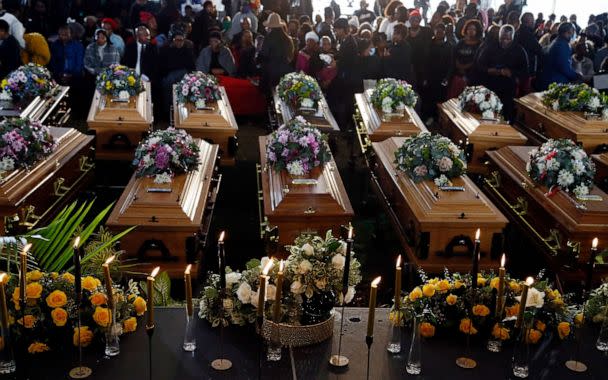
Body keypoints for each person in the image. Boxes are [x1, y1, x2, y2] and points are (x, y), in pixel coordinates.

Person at [476, 24, 528, 121]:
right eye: (502, 38)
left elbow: (525, 71)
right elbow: (479, 65)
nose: (504, 41)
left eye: (508, 39)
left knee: (505, 115)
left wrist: (512, 73)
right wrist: (489, 70)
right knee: (488, 114)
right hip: (490, 86)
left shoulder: (519, 50)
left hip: (508, 89)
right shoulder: (490, 47)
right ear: (499, 36)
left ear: (512, 37)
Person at [159, 27, 195, 114]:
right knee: (168, 82)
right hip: (169, 75)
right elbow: (162, 66)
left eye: (181, 40)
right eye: (177, 40)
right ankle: (168, 112)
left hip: (184, 75)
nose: (179, 42)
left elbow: (192, 67)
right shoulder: (166, 50)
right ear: (173, 40)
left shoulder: (187, 51)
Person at [538, 22, 581, 90]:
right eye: (572, 33)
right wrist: (577, 76)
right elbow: (565, 68)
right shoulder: (563, 45)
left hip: (545, 80)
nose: (572, 36)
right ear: (567, 32)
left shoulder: (555, 41)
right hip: (554, 84)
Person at [258, 13, 294, 94]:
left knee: (270, 96)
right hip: (285, 71)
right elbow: (290, 56)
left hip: (271, 73)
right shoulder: (287, 39)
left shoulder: (268, 38)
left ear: (270, 26)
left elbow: (264, 54)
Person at [423, 22, 452, 119]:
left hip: (442, 77)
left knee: (440, 99)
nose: (439, 33)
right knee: (428, 98)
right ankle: (428, 117)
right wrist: (425, 77)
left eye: (441, 31)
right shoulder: (428, 44)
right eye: (437, 31)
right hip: (430, 77)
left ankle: (437, 119)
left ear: (444, 33)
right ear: (434, 32)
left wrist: (447, 78)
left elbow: (450, 64)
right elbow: (425, 62)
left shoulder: (449, 46)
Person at [407, 9, 432, 91]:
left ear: (420, 20)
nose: (415, 20)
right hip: (410, 66)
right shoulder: (405, 32)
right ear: (409, 20)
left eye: (417, 18)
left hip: (423, 66)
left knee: (422, 89)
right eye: (413, 18)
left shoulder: (426, 31)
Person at [515, 12, 542, 81]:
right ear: (528, 22)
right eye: (533, 20)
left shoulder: (519, 30)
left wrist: (537, 36)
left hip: (517, 64)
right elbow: (538, 49)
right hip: (526, 67)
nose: (534, 21)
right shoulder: (528, 34)